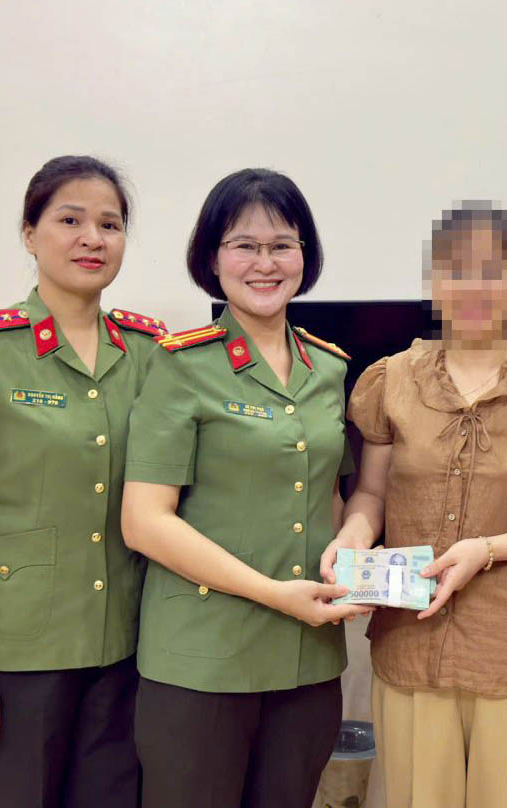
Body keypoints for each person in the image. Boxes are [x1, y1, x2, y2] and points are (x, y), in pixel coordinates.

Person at [322, 202, 507, 808]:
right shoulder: (392, 380)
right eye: (456, 270)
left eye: (494, 269)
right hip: (411, 646)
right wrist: (355, 530)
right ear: (434, 282)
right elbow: (372, 493)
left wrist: (488, 550)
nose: (475, 286)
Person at [0, 155, 166, 807]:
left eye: (110, 224)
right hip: (14, 660)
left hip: (125, 654)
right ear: (30, 233)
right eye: (69, 219)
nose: (92, 238)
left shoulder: (149, 352)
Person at [120, 168, 371, 808]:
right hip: (201, 661)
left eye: (282, 245)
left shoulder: (330, 368)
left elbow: (333, 497)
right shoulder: (181, 364)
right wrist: (274, 595)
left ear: (305, 257)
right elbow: (145, 521)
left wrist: (352, 540)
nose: (265, 263)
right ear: (213, 257)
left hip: (307, 661)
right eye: (244, 245)